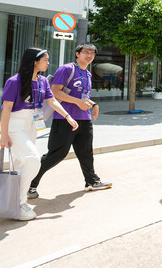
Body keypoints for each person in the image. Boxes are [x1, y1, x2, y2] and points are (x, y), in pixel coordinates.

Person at [0, 48, 78, 220]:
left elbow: (52, 101)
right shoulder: (15, 81)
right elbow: (6, 109)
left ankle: (14, 203)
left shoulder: (42, 81)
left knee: (22, 164)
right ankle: (20, 203)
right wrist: (4, 134)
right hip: (16, 125)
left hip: (32, 124)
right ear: (34, 61)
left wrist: (68, 116)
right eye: (46, 60)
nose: (48, 63)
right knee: (33, 159)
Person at [28, 44, 111, 198]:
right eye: (86, 52)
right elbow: (54, 92)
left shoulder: (88, 74)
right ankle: (30, 184)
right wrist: (77, 102)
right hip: (64, 118)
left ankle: (91, 181)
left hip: (84, 118)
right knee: (56, 154)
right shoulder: (66, 69)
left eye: (92, 53)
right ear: (77, 54)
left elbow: (82, 96)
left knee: (86, 152)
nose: (89, 55)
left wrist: (93, 104)